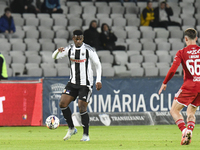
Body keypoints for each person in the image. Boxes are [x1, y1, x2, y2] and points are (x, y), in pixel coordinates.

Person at [52, 30, 102, 141]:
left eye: (80, 39)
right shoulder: (69, 49)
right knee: (62, 103)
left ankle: (86, 135)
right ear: (73, 38)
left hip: (85, 84)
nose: (78, 41)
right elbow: (54, 57)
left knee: (82, 106)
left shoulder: (89, 50)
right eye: (76, 39)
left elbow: (98, 65)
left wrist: (98, 80)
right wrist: (57, 51)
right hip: (73, 82)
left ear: (83, 39)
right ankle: (71, 128)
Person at [158, 28, 200, 145]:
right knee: (191, 112)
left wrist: (165, 82)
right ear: (196, 38)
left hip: (190, 85)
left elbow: (173, 70)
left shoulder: (182, 52)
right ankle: (189, 132)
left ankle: (184, 131)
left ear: (185, 39)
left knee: (174, 110)